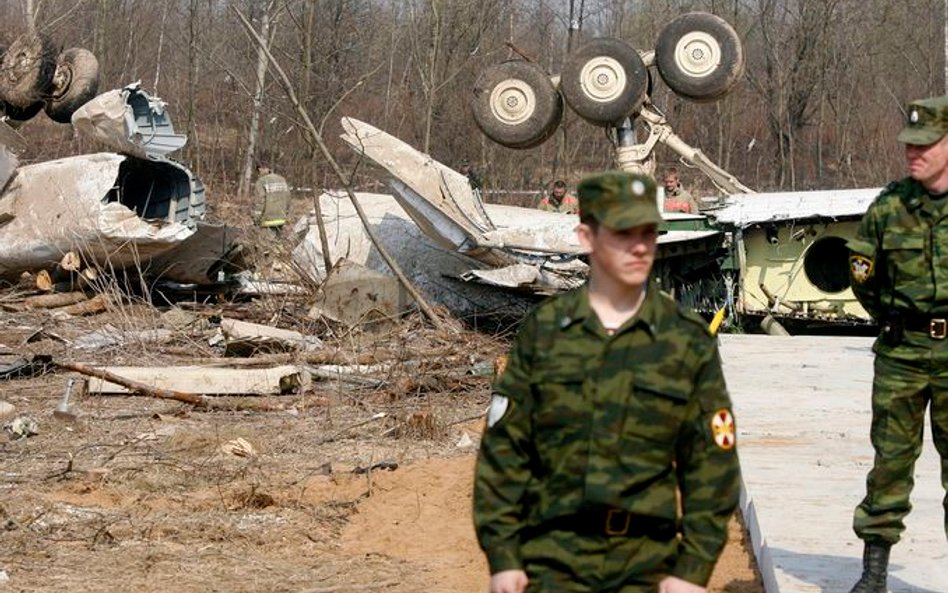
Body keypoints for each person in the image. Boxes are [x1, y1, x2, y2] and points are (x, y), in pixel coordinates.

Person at [473, 170, 741, 593]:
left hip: (646, 565)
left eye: (648, 232)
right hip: (551, 564)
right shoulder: (545, 333)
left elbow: (711, 462)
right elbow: (504, 452)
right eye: (623, 233)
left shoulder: (685, 339)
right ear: (586, 237)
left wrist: (693, 568)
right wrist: (503, 556)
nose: (640, 246)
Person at [845, 96, 948, 593]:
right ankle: (874, 573)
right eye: (909, 146)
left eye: (925, 145)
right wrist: (892, 319)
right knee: (889, 465)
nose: (913, 154)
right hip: (901, 356)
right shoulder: (889, 206)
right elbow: (862, 275)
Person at [253, 163, 291, 236]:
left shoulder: (261, 182)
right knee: (277, 245)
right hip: (281, 220)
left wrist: (256, 219)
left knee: (266, 245)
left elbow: (260, 202)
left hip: (267, 221)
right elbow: (288, 198)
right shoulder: (282, 179)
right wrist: (286, 213)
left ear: (260, 169)